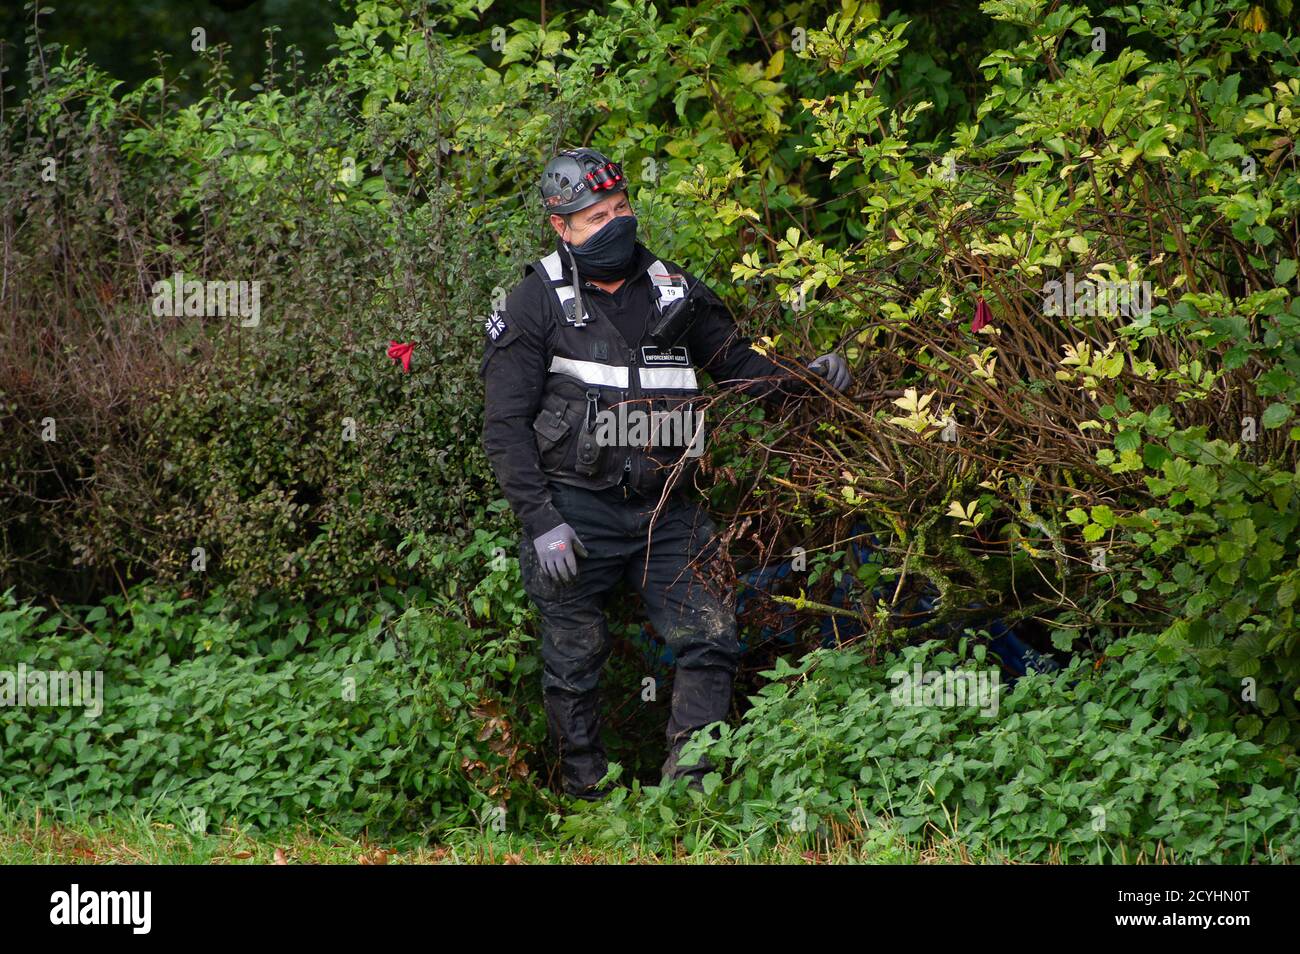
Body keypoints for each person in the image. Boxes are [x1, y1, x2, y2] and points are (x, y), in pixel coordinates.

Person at [479, 146, 850, 799]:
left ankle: (690, 790)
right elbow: (505, 428)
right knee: (575, 659)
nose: (615, 224)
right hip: (573, 508)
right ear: (560, 226)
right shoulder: (534, 303)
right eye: (596, 218)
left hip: (669, 507)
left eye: (621, 208)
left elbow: (740, 369)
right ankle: (587, 795)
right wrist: (541, 522)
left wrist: (809, 383)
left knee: (710, 636)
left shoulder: (674, 289)